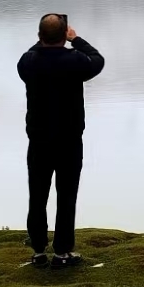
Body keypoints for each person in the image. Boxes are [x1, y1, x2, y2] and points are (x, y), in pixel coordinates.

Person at [17, 14, 105, 268]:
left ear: (39, 36)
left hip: (39, 141)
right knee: (66, 196)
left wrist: (44, 39)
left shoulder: (28, 62)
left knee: (37, 195)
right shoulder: (75, 60)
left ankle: (37, 250)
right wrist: (75, 40)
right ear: (64, 33)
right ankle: (62, 251)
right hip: (69, 141)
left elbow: (31, 52)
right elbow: (97, 60)